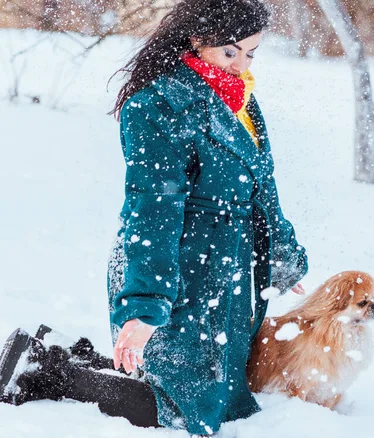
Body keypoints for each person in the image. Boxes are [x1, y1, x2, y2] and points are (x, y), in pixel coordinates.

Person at [0, 0, 308, 435]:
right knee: (180, 413)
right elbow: (153, 210)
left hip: (228, 269)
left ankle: (71, 357)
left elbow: (262, 183)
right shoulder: (156, 106)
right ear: (198, 42)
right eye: (231, 52)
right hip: (176, 265)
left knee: (222, 403)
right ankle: (48, 365)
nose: (242, 64)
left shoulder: (239, 101)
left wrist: (282, 250)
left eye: (251, 53)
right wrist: (147, 305)